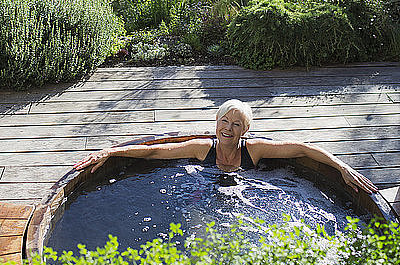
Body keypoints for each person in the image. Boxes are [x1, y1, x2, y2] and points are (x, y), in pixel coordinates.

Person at [74, 99, 377, 194]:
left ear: (246, 130)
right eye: (224, 122)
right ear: (216, 122)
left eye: (236, 125)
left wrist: (341, 168)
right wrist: (109, 152)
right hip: (201, 192)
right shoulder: (201, 149)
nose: (228, 129)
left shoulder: (255, 150)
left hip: (249, 195)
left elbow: (301, 149)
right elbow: (154, 151)